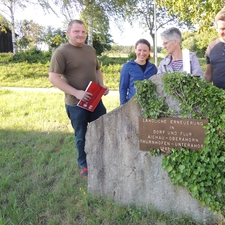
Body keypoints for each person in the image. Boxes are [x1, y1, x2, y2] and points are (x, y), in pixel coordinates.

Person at [48, 19, 109, 178]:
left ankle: (102, 158)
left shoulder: (90, 50)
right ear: (68, 33)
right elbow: (54, 78)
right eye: (76, 31)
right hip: (76, 104)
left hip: (95, 101)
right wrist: (76, 92)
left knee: (103, 129)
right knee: (81, 135)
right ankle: (84, 165)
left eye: (83, 32)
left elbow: (97, 70)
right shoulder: (61, 52)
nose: (80, 34)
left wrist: (101, 86)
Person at [119, 39, 158, 104]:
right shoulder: (127, 67)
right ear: (135, 50)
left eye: (145, 51)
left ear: (149, 52)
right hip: (132, 105)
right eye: (139, 50)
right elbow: (123, 88)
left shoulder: (153, 68)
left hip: (150, 105)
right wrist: (123, 106)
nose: (142, 53)